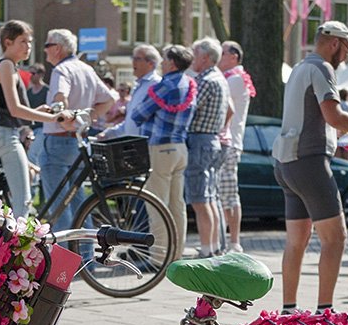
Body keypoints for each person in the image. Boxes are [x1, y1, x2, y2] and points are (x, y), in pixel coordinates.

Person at [274, 21, 348, 313]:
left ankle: (288, 311)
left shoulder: (298, 68)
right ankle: (325, 311)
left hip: (285, 163)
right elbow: (333, 115)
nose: (346, 57)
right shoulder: (323, 68)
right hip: (309, 163)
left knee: (296, 241)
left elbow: (313, 119)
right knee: (335, 238)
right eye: (347, 50)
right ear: (335, 43)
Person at [0, 20, 68, 217]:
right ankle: (18, 246)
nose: (28, 46)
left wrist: (38, 111)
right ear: (8, 42)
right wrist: (52, 118)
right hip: (4, 137)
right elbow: (15, 109)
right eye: (23, 41)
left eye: (30, 42)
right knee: (23, 202)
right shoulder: (7, 66)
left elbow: (7, 108)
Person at [35, 28, 116, 231]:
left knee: (58, 208)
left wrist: (63, 117)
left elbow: (60, 96)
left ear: (58, 48)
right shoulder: (86, 69)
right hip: (78, 142)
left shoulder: (60, 70)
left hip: (57, 141)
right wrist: (87, 117)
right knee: (80, 205)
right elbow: (109, 99)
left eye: (47, 45)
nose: (44, 51)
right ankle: (85, 256)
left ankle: (64, 261)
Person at [128, 44, 197, 259]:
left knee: (156, 204)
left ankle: (158, 258)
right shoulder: (189, 84)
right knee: (177, 205)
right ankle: (175, 254)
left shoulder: (165, 85)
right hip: (180, 147)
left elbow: (138, 114)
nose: (162, 63)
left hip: (160, 148)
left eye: (165, 59)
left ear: (172, 63)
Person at [184, 37, 231, 257]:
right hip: (212, 140)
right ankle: (211, 248)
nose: (192, 58)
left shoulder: (205, 80)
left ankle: (206, 251)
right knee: (209, 197)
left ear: (205, 57)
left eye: (195, 54)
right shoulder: (220, 78)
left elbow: (188, 109)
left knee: (200, 199)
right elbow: (230, 110)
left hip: (200, 141)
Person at [218, 40, 254, 254]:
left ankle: (233, 242)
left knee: (229, 193)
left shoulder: (234, 80)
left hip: (229, 142)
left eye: (222, 53)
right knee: (225, 192)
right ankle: (227, 240)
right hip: (230, 141)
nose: (219, 57)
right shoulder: (233, 78)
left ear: (234, 57)